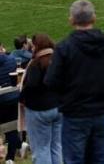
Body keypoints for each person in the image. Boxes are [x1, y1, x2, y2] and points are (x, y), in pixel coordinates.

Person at [45, 0, 104, 164]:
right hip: (99, 111)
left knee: (75, 159)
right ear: (94, 18)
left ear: (71, 20)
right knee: (101, 158)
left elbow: (52, 81)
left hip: (77, 113)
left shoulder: (65, 48)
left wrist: (66, 100)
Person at [20, 34, 61, 164]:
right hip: (58, 107)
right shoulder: (58, 59)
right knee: (56, 146)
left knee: (41, 149)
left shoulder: (36, 63)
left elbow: (31, 85)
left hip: (39, 110)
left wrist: (22, 97)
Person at [0, 44, 22, 164]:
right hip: (12, 99)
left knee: (10, 129)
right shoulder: (11, 60)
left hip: (4, 99)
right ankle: (10, 158)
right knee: (11, 128)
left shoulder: (10, 59)